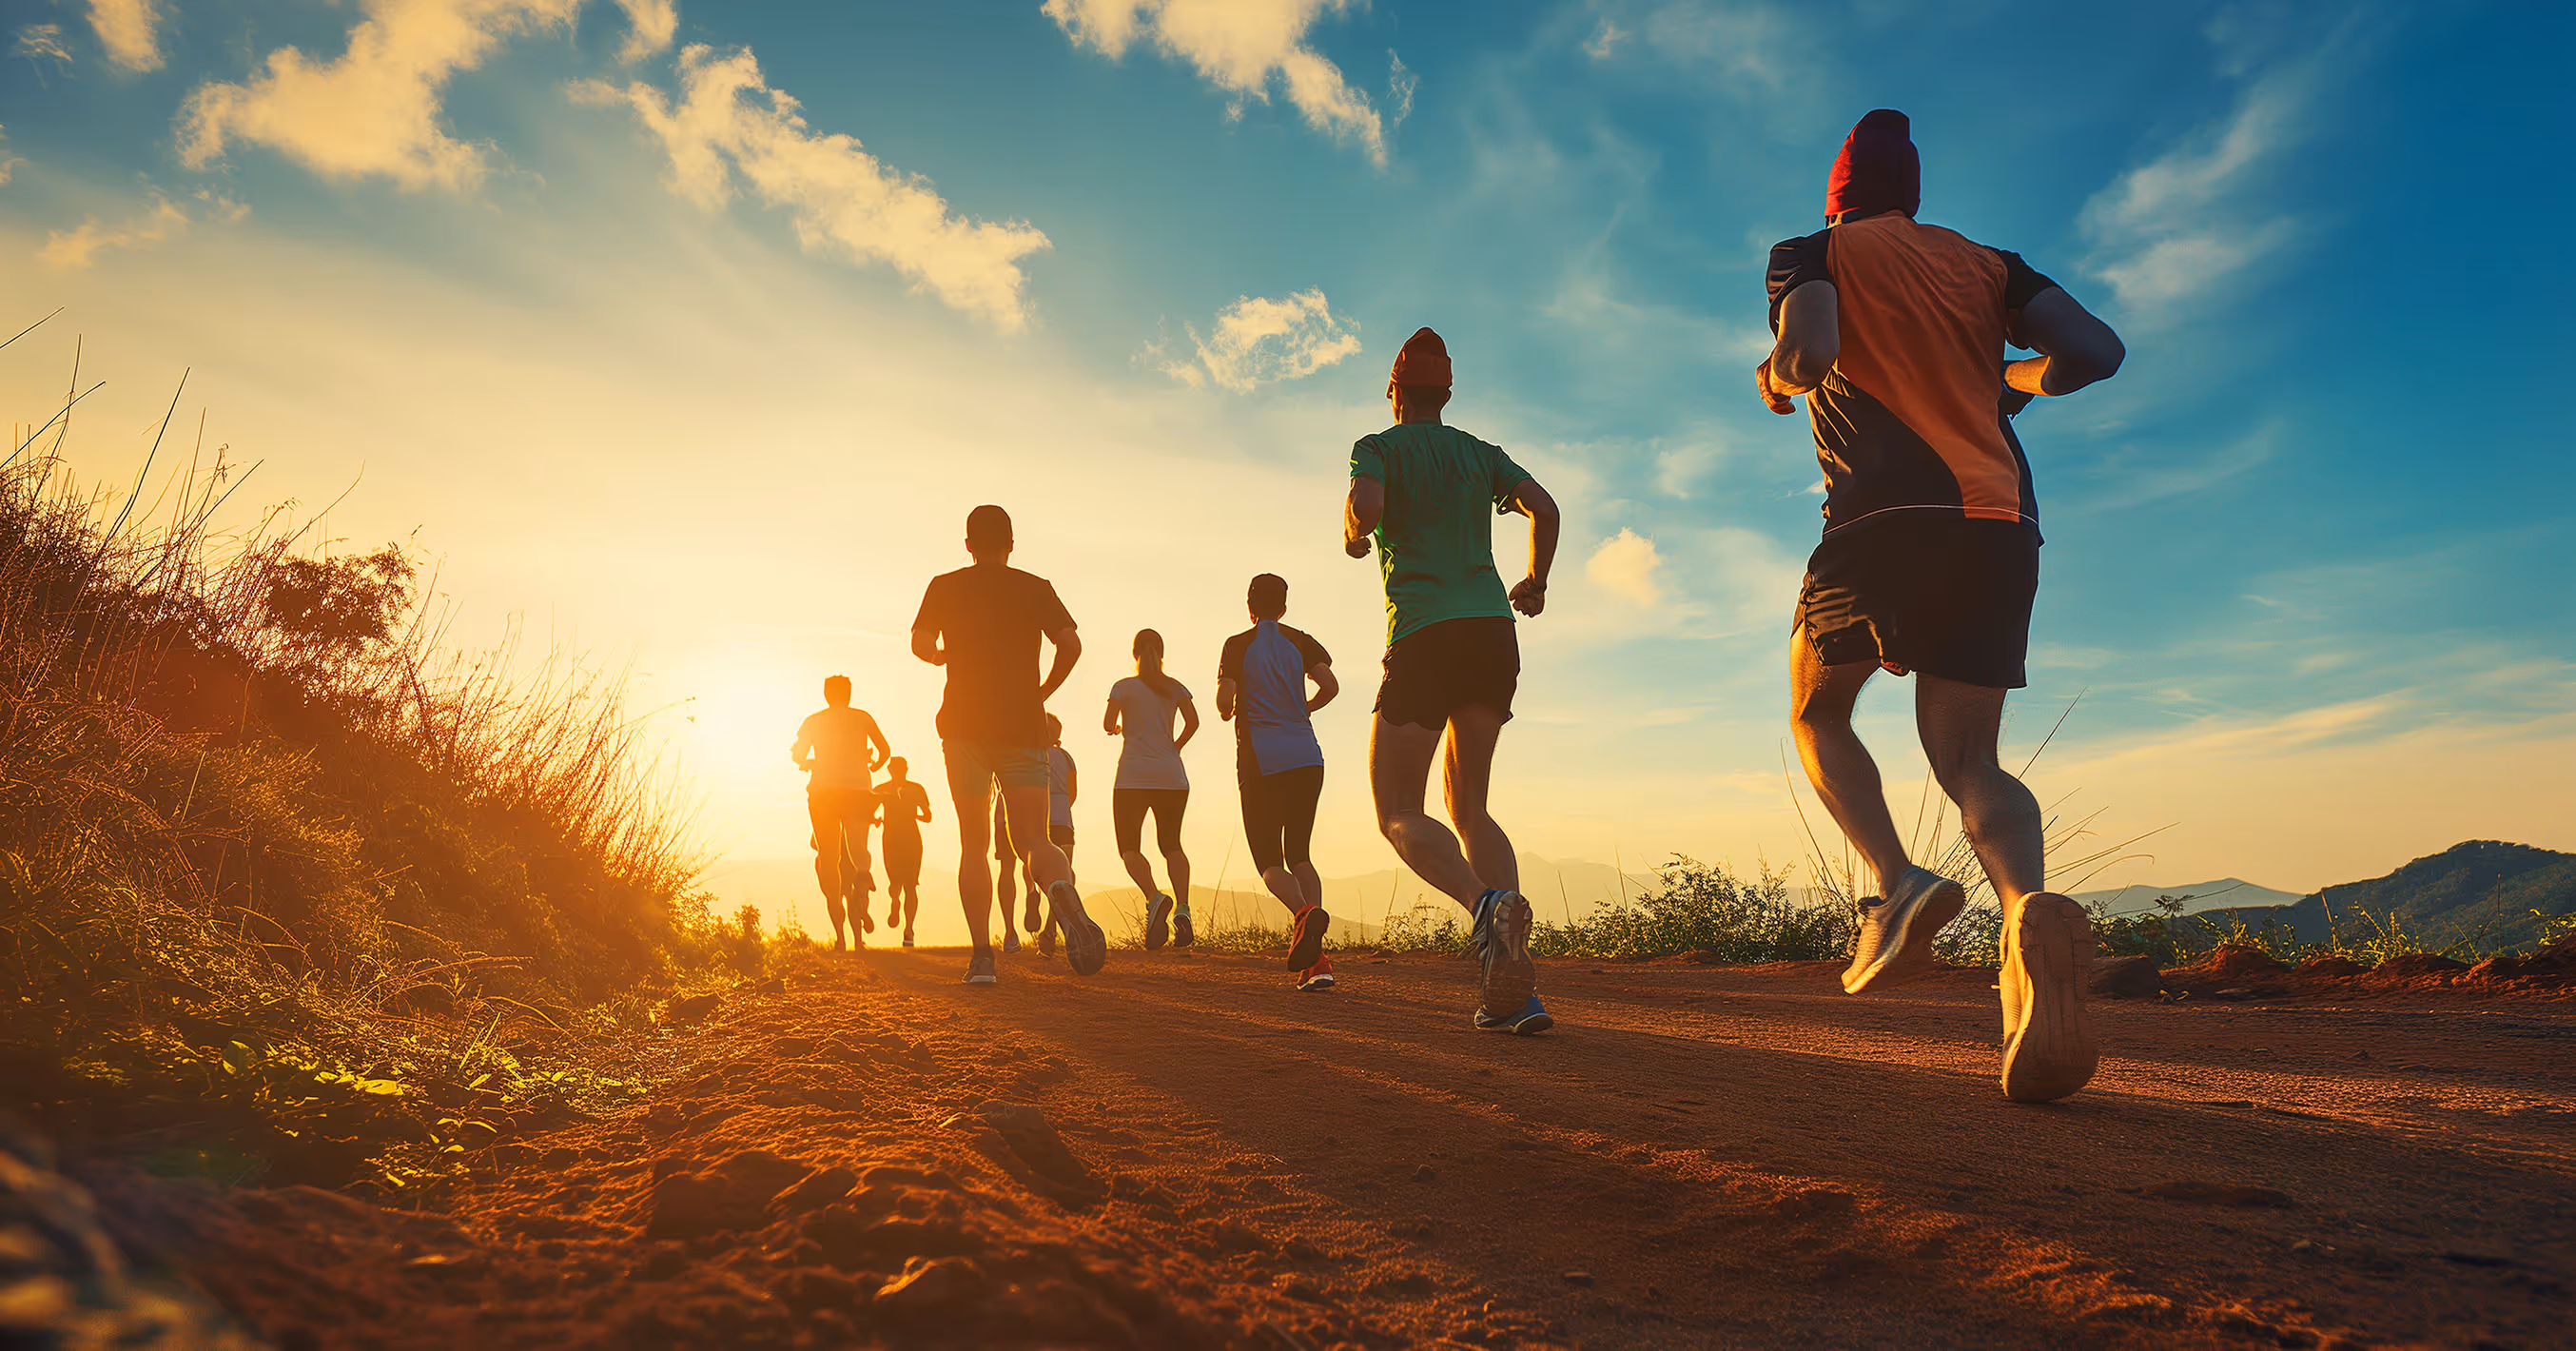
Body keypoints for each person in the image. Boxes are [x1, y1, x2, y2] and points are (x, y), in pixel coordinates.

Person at [1759, 109, 2126, 1103]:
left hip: (1878, 520)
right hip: (1996, 520)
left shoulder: (1812, 250)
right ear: (1911, 191)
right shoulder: (1985, 264)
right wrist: (2009, 380)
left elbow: (1809, 349)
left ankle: (1895, 881)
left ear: (1838, 193)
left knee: (1815, 708)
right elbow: (2095, 352)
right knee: (1970, 760)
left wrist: (1777, 374)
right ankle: (2022, 919)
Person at [1343, 330, 1560, 1032]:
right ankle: (1514, 987)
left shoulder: (1376, 447)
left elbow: (1366, 513)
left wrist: (1353, 533)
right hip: (1492, 634)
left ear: (1393, 389)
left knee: (1397, 810)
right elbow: (1546, 509)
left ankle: (1484, 907)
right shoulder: (1479, 453)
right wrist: (1537, 580)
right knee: (1470, 808)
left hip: (1425, 635)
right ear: (1448, 393)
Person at [911, 505, 1107, 984]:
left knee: (975, 843)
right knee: (1034, 840)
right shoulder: (1035, 588)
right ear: (1012, 543)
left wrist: (941, 655)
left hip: (964, 729)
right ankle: (1059, 886)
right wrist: (1041, 693)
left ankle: (982, 958)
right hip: (1023, 726)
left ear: (967, 545)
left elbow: (920, 643)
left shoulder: (945, 585)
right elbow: (1071, 644)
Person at [1217, 574, 1341, 990]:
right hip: (1307, 755)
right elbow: (1331, 686)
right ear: (1284, 607)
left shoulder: (1237, 645)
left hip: (1261, 758)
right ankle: (1317, 961)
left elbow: (1223, 699)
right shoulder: (1301, 640)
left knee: (1269, 861)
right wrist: (1305, 707)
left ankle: (1304, 915)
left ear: (1248, 607)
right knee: (1300, 855)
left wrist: (1227, 707)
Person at [1106, 629, 1200, 950]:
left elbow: (1108, 723)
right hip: (1171, 775)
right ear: (1161, 652)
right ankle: (1184, 910)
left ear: (1134, 653)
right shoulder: (1176, 688)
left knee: (1129, 848)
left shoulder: (1122, 687)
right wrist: (1174, 747)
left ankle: (1154, 897)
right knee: (1172, 845)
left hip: (1132, 776)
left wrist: (1119, 728)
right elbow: (1194, 722)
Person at [790, 675, 888, 951]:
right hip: (858, 790)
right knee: (858, 849)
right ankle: (863, 873)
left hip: (823, 792)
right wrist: (871, 767)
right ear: (849, 694)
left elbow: (797, 755)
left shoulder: (813, 721)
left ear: (825, 694)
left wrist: (810, 763)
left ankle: (840, 930)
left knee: (829, 855)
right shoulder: (863, 717)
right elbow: (885, 751)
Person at [872, 756, 933, 948]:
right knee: (903, 884)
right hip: (898, 840)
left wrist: (875, 820)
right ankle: (898, 906)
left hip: (904, 840)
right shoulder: (884, 789)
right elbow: (928, 816)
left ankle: (908, 929)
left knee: (909, 885)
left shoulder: (893, 789)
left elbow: (928, 816)